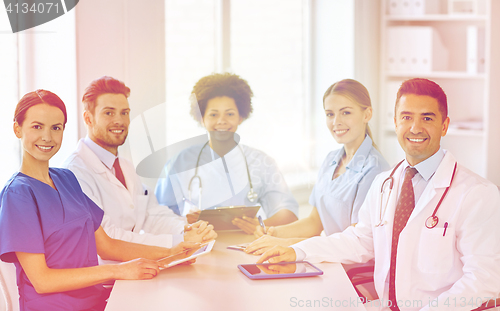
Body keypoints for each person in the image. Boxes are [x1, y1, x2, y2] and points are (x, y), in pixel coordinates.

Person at [257, 78, 500, 311]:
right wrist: (298, 251)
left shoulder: (477, 194)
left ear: (444, 125)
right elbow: (359, 240)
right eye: (406, 117)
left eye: (427, 118)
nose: (415, 127)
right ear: (395, 122)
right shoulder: (385, 183)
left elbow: (484, 279)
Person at [0, 90, 200, 311]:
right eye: (37, 126)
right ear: (17, 129)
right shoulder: (18, 195)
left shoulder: (66, 179)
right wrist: (118, 270)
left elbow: (107, 246)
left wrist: (173, 253)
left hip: (96, 300)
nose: (47, 137)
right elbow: (42, 280)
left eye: (56, 128)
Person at [62, 76, 216, 249]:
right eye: (108, 113)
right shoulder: (75, 173)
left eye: (124, 113)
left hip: (137, 265)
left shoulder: (125, 167)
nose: (119, 121)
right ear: (88, 119)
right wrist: (178, 241)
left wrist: (186, 230)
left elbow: (152, 216)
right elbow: (108, 237)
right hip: (105, 270)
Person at [245, 79, 389, 255]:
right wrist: (273, 232)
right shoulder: (331, 160)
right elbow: (315, 221)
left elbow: (355, 242)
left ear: (367, 114)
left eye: (346, 113)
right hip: (322, 256)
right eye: (330, 114)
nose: (336, 122)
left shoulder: (375, 171)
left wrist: (290, 244)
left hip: (346, 266)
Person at [155, 73, 299, 234]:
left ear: (241, 117)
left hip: (247, 245)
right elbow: (158, 214)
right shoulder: (180, 162)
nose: (221, 121)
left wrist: (261, 226)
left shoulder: (261, 161)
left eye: (229, 114)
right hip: (196, 246)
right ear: (202, 118)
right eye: (213, 114)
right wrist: (184, 222)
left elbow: (288, 212)